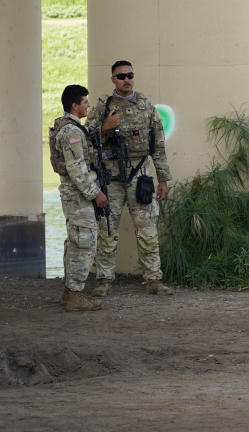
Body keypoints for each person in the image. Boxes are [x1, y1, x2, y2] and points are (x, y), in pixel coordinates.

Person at [88, 61, 174, 297]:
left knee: (147, 229)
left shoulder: (146, 106)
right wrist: (105, 127)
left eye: (130, 75)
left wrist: (163, 178)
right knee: (107, 229)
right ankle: (104, 280)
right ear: (113, 79)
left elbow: (158, 145)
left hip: (140, 176)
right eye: (121, 76)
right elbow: (87, 139)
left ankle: (154, 279)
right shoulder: (103, 107)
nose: (126, 79)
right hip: (111, 177)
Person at [52, 85, 109, 311]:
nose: (88, 105)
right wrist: (97, 194)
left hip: (76, 196)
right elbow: (77, 170)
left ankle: (70, 292)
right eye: (85, 102)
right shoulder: (72, 133)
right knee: (84, 243)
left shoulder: (72, 128)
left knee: (75, 242)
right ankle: (75, 295)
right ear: (74, 105)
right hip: (79, 197)